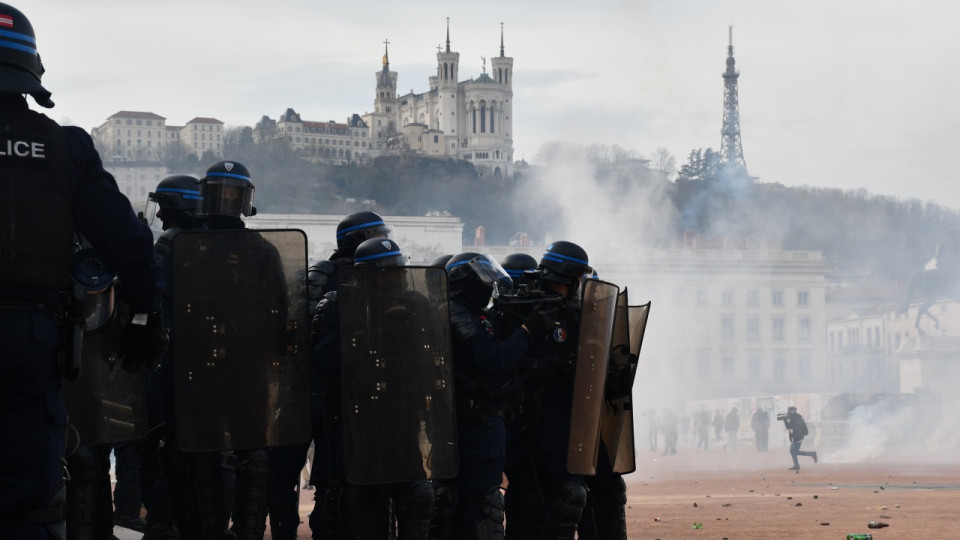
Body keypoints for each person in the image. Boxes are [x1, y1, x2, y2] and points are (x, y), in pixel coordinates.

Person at [0, 4, 166, 538]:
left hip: (32, 331)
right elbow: (126, 241)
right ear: (31, 72)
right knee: (32, 497)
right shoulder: (63, 147)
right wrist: (144, 315)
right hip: (29, 336)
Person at [307, 213, 392, 539]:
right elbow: (310, 341)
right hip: (324, 392)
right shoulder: (324, 277)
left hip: (362, 394)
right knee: (332, 479)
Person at [504, 241, 593, 540]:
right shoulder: (526, 309)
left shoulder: (571, 312)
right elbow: (503, 362)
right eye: (578, 279)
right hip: (535, 420)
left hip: (564, 419)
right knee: (543, 497)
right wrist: (546, 368)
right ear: (571, 277)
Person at [445, 252, 536, 539]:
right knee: (485, 502)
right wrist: (527, 330)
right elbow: (492, 360)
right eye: (481, 279)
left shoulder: (476, 314)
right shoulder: (456, 311)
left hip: (482, 418)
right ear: (463, 282)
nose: (488, 285)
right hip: (475, 420)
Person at [780, 406, 817, 471]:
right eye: (789, 411)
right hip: (795, 436)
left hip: (798, 436)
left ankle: (811, 454)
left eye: (790, 411)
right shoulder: (792, 416)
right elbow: (780, 417)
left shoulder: (797, 417)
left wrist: (787, 423)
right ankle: (797, 465)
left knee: (794, 452)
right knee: (792, 451)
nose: (790, 412)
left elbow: (795, 427)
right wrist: (786, 421)